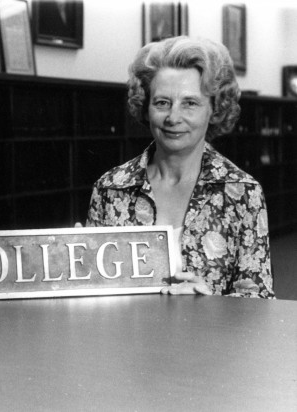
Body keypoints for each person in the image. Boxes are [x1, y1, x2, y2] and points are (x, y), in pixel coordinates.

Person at [86, 36, 274, 298]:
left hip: (211, 338)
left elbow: (259, 303)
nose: (173, 117)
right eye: (162, 103)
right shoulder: (111, 188)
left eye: (190, 103)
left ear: (214, 109)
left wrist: (210, 302)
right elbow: (94, 295)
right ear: (146, 107)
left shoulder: (243, 192)